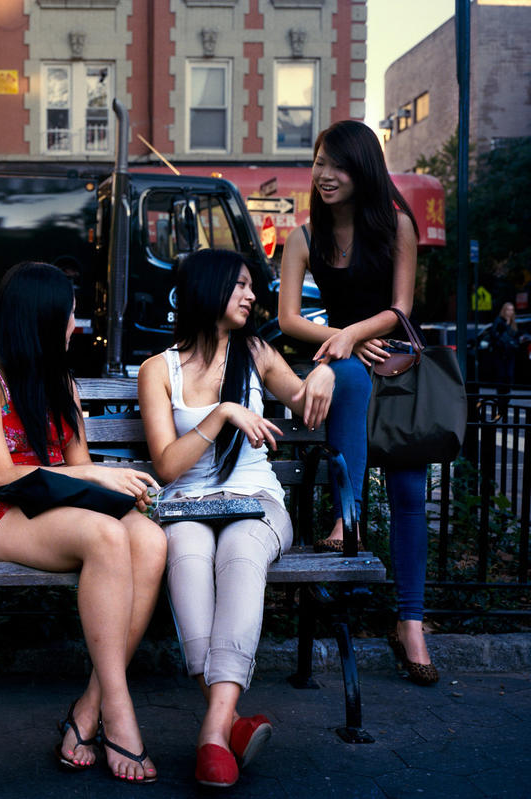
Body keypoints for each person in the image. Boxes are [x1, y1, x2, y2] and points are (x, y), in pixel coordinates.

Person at [0, 261, 167, 784]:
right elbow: (2, 475)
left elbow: (75, 469)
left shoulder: (58, 382)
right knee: (106, 535)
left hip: (55, 507)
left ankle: (88, 710)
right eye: (70, 316)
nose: (77, 326)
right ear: (41, 319)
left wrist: (107, 481)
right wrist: (98, 474)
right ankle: (120, 717)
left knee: (152, 541)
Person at [138, 249, 334, 788]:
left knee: (241, 553)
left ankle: (211, 733)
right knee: (189, 556)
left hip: (257, 500)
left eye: (253, 286)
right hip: (189, 505)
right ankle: (229, 726)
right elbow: (167, 464)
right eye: (242, 285)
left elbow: (303, 400)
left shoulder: (257, 353)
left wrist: (326, 377)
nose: (252, 296)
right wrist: (223, 413)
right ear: (209, 288)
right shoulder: (159, 370)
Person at [279, 119, 438, 686]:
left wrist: (353, 333)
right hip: (344, 366)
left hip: (395, 370)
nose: (324, 174)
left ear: (362, 169)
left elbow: (401, 309)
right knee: (344, 370)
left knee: (409, 491)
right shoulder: (303, 237)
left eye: (337, 165)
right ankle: (346, 518)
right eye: (319, 162)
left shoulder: (396, 226)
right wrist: (342, 339)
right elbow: (287, 318)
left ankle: (411, 624)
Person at [488, 301, 520, 415]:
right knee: (501, 378)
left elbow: (517, 337)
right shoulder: (499, 321)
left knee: (509, 377)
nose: (510, 312)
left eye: (511, 310)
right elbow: (493, 336)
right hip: (500, 355)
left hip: (510, 355)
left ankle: (505, 401)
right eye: (508, 309)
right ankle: (501, 403)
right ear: (504, 310)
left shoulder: (513, 323)